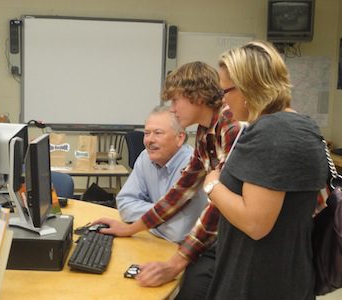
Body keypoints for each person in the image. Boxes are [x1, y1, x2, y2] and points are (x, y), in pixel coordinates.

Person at [94, 61, 241, 293]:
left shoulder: (231, 128)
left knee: (193, 284)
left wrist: (175, 264)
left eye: (175, 100)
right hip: (222, 237)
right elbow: (180, 193)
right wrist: (130, 229)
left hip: (243, 241)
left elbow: (217, 209)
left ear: (199, 97)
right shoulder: (206, 132)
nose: (172, 109)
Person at [202, 40, 328, 299]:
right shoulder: (300, 126)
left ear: (248, 87)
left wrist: (212, 185)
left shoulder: (273, 133)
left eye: (226, 91)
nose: (224, 102)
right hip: (283, 276)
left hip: (257, 283)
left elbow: (255, 223)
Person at [116, 106, 207, 243]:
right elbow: (124, 205)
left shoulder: (192, 166)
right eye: (147, 133)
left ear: (179, 138)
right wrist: (165, 215)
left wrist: (141, 221)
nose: (149, 140)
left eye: (158, 133)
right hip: (154, 242)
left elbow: (177, 233)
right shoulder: (145, 157)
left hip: (186, 252)